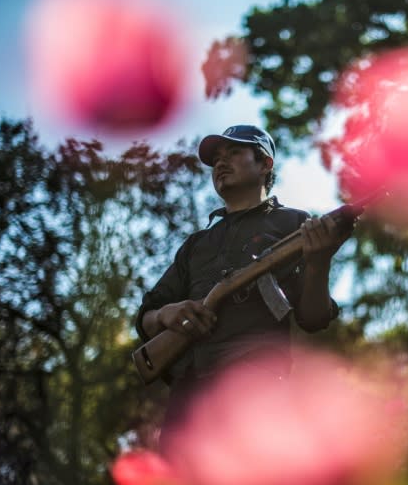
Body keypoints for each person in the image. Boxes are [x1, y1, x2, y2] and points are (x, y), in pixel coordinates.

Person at [134, 124, 351, 451]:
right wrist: (168, 314)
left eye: (234, 153)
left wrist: (319, 262)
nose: (220, 163)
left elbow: (313, 318)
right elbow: (146, 316)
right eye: (216, 158)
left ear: (265, 164)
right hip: (189, 396)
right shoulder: (196, 244)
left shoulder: (295, 224)